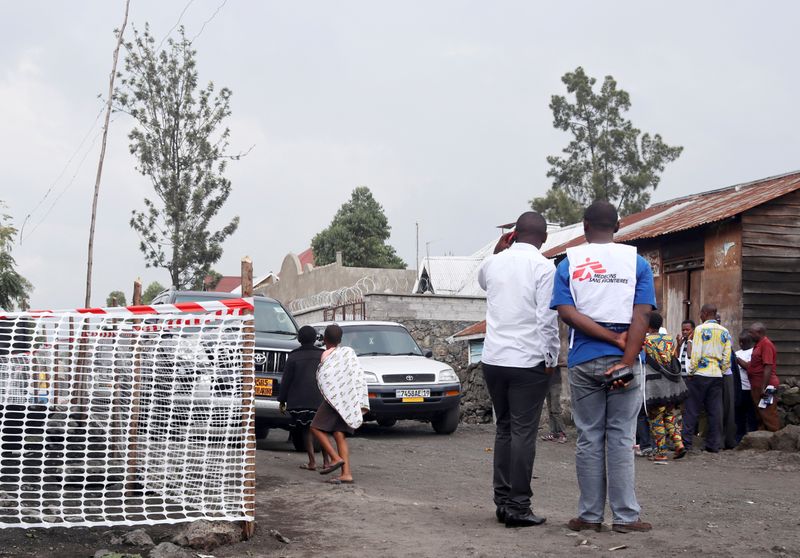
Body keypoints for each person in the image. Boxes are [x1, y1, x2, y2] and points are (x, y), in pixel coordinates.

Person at [551, 200, 656, 534]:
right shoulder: (637, 263)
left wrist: (610, 340)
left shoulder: (570, 262)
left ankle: (590, 516)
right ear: (618, 226)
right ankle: (626, 518)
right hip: (626, 361)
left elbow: (566, 313)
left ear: (584, 226)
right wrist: (625, 358)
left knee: (589, 438)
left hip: (584, 361)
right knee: (622, 438)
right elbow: (642, 315)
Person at [478, 211, 560, 528]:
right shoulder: (543, 267)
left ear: (512, 234)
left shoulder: (494, 262)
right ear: (544, 237)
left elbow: (482, 279)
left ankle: (502, 501)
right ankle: (519, 506)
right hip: (527, 362)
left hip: (493, 360)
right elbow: (546, 319)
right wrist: (551, 359)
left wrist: (498, 249)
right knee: (524, 433)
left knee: (505, 429)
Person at [310, 324, 370, 484]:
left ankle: (335, 458)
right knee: (339, 434)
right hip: (348, 400)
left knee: (315, 427)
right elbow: (356, 375)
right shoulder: (349, 353)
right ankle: (347, 473)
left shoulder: (326, 355)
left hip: (333, 399)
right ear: (340, 339)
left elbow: (327, 379)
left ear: (324, 339)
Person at [278, 325, 330, 471]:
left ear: (299, 339)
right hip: (320, 400)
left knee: (306, 430)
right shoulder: (323, 355)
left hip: (300, 403)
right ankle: (326, 461)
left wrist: (282, 400)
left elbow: (286, 380)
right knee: (322, 430)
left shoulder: (293, 356)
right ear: (315, 339)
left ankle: (312, 462)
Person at [682, 304, 731, 454]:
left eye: (701, 314)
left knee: (692, 409)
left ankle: (687, 443)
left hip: (700, 374)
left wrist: (691, 371)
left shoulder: (700, 329)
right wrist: (720, 370)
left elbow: (695, 354)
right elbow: (727, 356)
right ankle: (713, 444)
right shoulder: (725, 331)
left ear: (705, 313)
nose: (700, 316)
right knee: (715, 410)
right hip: (716, 374)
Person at [643, 312, 687, 462]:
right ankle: (678, 444)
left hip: (655, 384)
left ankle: (661, 452)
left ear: (648, 325)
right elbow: (671, 358)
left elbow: (644, 359)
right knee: (669, 414)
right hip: (670, 384)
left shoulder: (646, 340)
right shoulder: (669, 339)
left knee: (655, 417)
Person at [740, 323, 781, 432]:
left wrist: (764, 387)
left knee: (768, 413)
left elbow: (768, 366)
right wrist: (737, 360)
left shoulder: (766, 345)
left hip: (766, 386)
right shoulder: (758, 345)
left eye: (751, 332)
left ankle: (775, 437)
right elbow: (753, 365)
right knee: (760, 414)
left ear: (759, 333)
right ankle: (763, 439)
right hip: (757, 385)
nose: (749, 335)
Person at [733, 331, 758, 443]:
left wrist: (736, 359)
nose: (742, 344)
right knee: (739, 415)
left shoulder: (753, 352)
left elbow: (748, 367)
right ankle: (739, 437)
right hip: (739, 389)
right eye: (741, 342)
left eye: (745, 342)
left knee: (751, 414)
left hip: (750, 388)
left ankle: (752, 436)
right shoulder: (738, 352)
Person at [541, 367, 568, 444]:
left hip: (555, 383)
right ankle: (553, 433)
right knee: (550, 411)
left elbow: (565, 362)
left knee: (555, 410)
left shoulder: (555, 355)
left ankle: (562, 433)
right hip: (546, 383)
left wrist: (553, 363)